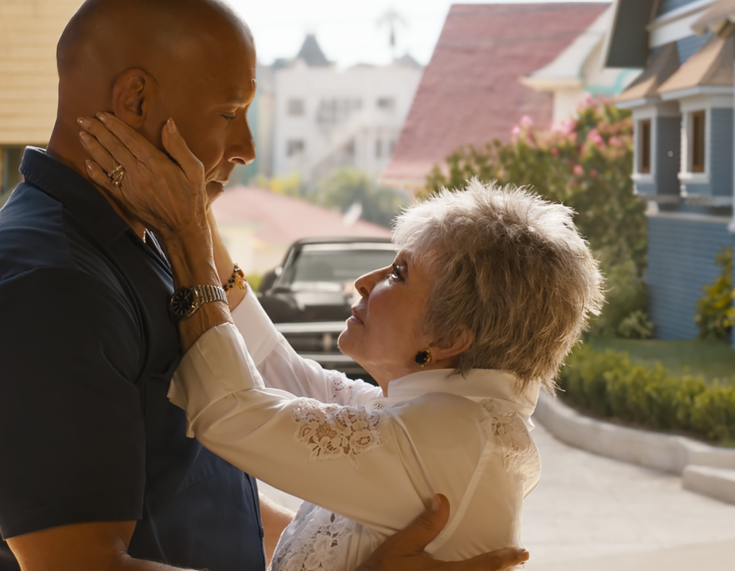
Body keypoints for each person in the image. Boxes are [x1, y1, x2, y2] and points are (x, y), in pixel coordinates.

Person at [0, 0, 530, 571]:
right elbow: (80, 565)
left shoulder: (143, 244)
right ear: (136, 101)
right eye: (229, 113)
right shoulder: (50, 288)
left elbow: (199, 480)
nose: (245, 146)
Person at [75, 114, 605, 571]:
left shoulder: (449, 434)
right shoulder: (439, 416)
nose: (364, 281)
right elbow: (277, 370)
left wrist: (185, 231)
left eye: (398, 273)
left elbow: (233, 412)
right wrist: (197, 211)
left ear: (451, 335)